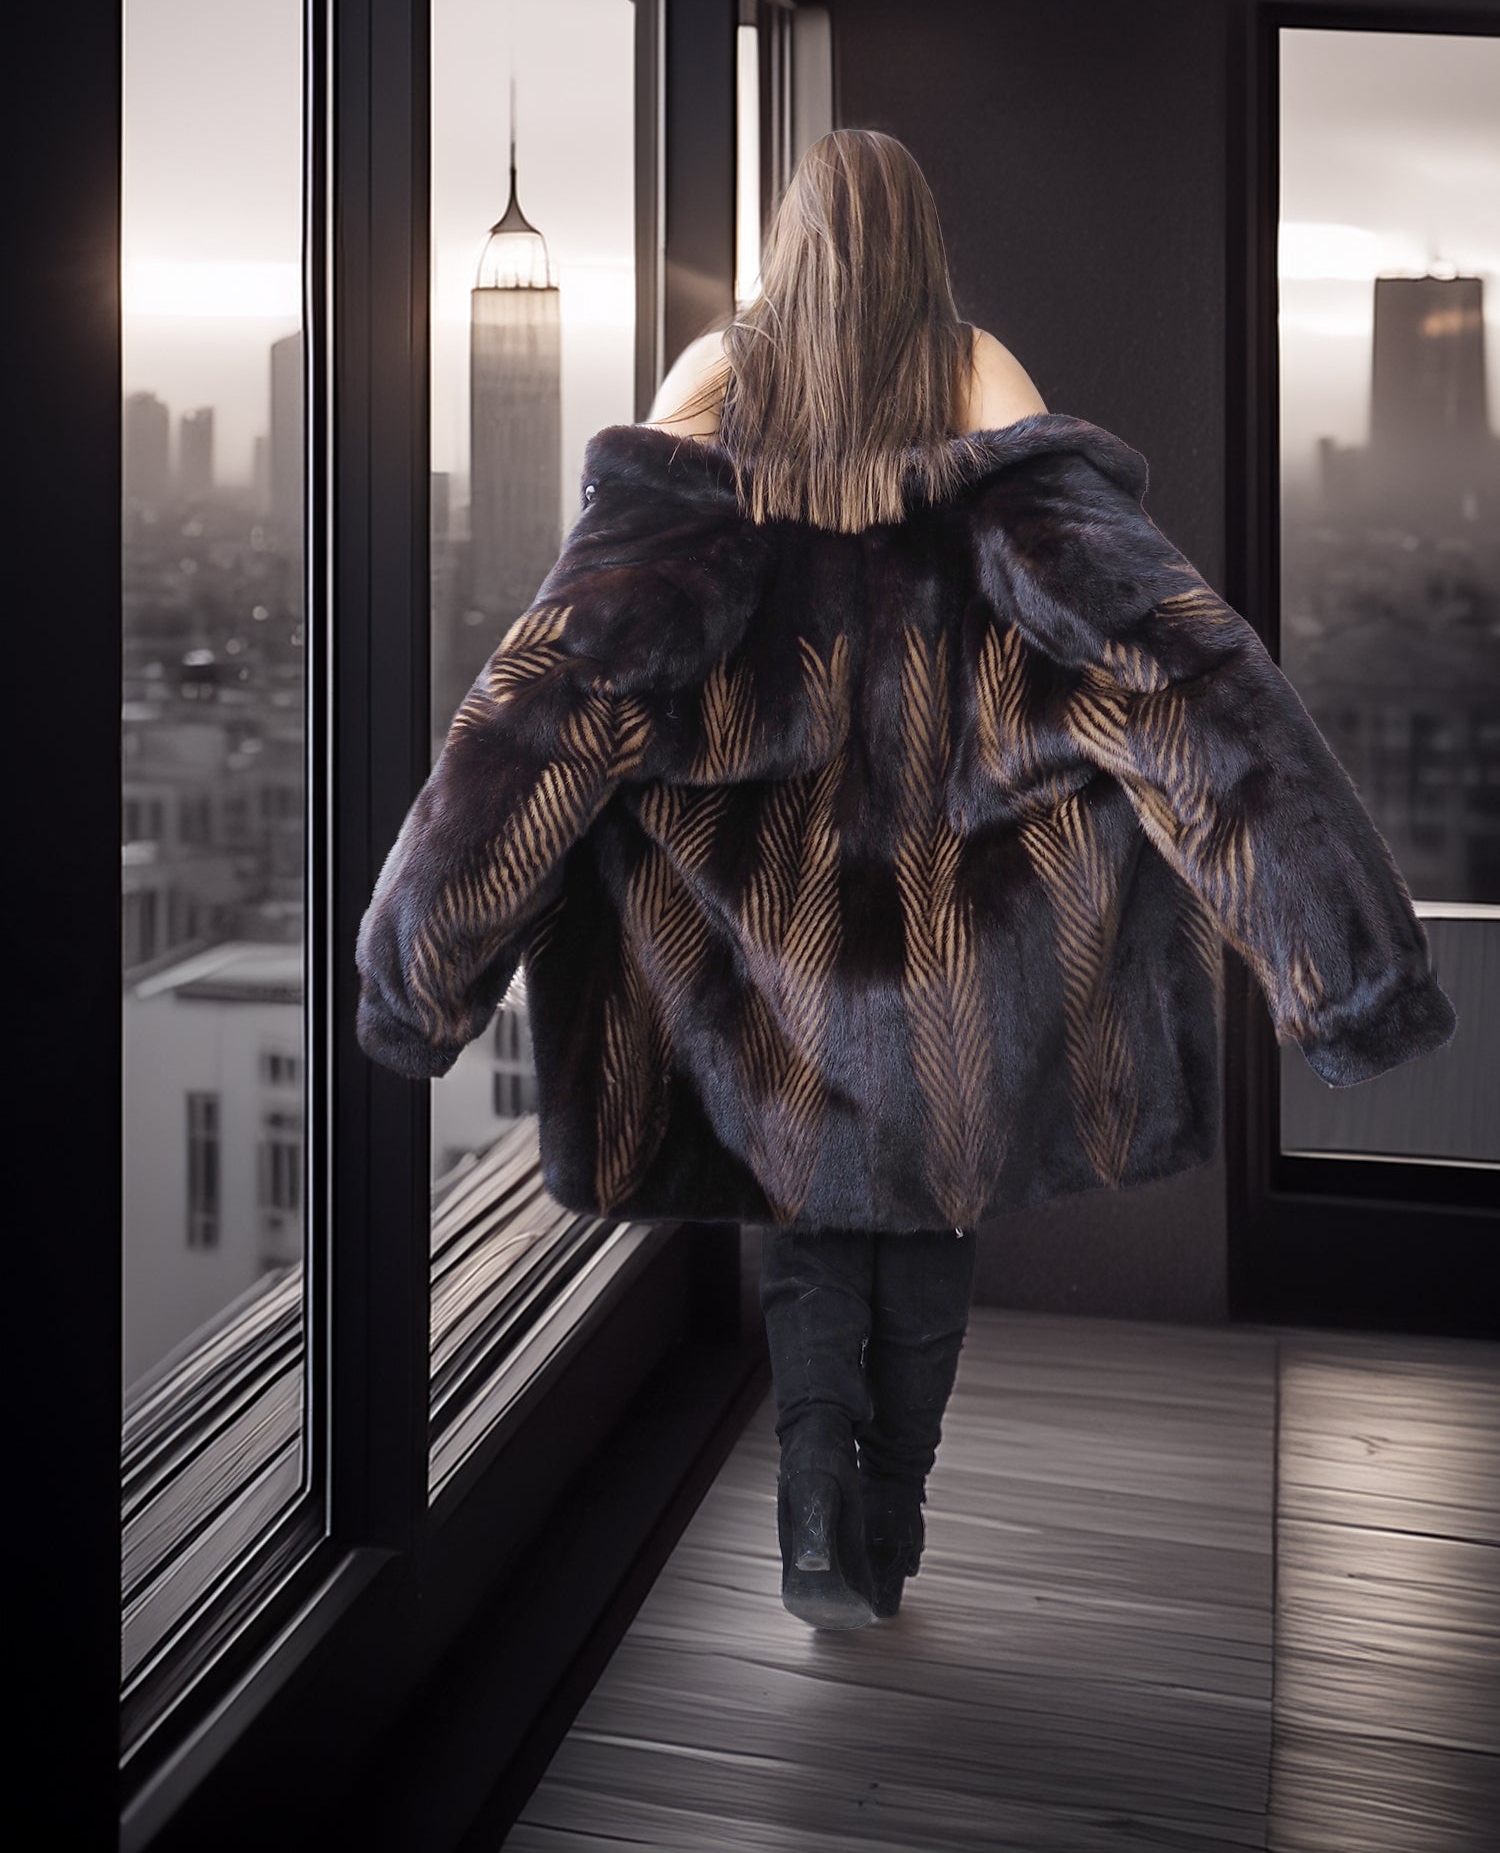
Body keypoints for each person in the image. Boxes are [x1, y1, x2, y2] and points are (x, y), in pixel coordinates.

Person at [354, 129, 1457, 1633]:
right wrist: (1349, 972)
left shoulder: (714, 373)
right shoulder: (974, 369)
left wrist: (421, 966)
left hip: (763, 948)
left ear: (788, 244)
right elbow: (1180, 674)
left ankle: (814, 1517)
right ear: (919, 243)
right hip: (963, 945)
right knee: (934, 1230)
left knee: (810, 1233)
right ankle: (892, 1516)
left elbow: (560, 681)